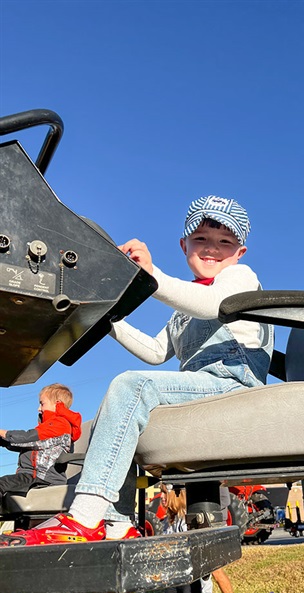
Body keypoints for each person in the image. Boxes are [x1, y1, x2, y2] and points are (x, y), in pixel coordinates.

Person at [0, 194, 273, 546]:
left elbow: (212, 306)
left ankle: (84, 517)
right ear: (184, 244)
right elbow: (157, 352)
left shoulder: (239, 277)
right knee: (118, 412)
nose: (211, 249)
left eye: (225, 242)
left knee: (131, 387)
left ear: (240, 252)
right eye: (201, 239)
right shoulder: (185, 302)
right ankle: (116, 522)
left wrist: (153, 275)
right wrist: (109, 319)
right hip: (202, 390)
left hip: (233, 383)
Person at [0, 384, 82, 501]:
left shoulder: (59, 424)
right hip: (31, 476)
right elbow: (30, 444)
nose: (39, 408)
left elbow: (28, 438)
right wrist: (4, 442)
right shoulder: (50, 426)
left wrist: (3, 433)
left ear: (58, 404)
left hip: (41, 478)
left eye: (42, 403)